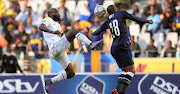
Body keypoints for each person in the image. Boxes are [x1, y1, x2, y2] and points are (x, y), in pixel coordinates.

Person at [91, 5, 153, 94]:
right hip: (123, 46)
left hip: (114, 48)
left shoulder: (108, 20)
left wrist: (92, 33)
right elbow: (135, 18)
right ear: (116, 9)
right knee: (131, 71)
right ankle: (121, 92)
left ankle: (117, 90)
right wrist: (147, 21)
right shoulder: (121, 13)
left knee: (124, 71)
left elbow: (99, 31)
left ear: (108, 13)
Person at [39, 8, 103, 93]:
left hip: (59, 51)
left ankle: (50, 81)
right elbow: (41, 26)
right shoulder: (47, 19)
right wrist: (52, 31)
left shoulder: (57, 25)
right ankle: (91, 43)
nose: (59, 14)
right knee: (73, 31)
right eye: (57, 13)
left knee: (71, 73)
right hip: (55, 48)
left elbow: (62, 38)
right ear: (51, 15)